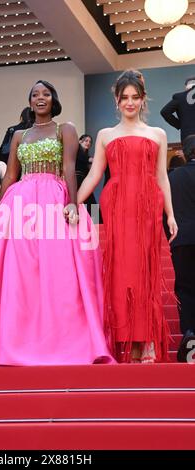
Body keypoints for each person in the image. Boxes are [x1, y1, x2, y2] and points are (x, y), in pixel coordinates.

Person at [0, 80, 115, 368]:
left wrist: (72, 202)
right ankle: (17, 338)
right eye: (35, 94)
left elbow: (71, 168)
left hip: (54, 201)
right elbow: (9, 175)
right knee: (20, 272)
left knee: (59, 271)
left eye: (46, 94)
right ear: (30, 102)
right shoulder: (20, 135)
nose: (40, 98)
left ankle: (61, 339)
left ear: (53, 99)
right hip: (20, 204)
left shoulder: (65, 129)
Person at [77, 70, 178, 363]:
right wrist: (73, 202)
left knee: (145, 273)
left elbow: (162, 177)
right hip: (117, 205)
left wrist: (169, 214)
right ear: (117, 100)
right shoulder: (106, 135)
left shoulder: (157, 134)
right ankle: (127, 341)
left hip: (148, 206)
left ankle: (145, 341)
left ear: (143, 100)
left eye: (135, 97)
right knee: (122, 273)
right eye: (124, 98)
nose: (130, 103)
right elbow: (95, 175)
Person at [168, 135, 195, 362]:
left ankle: (189, 334)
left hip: (183, 241)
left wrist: (171, 237)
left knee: (185, 290)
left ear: (185, 154)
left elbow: (165, 213)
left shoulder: (173, 178)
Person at [160, 77, 195, 144]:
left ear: (186, 86)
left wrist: (179, 125)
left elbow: (165, 112)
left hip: (189, 137)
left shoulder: (180, 97)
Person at [76, 134, 96, 216]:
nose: (88, 143)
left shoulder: (85, 155)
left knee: (91, 202)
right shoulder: (77, 151)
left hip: (83, 180)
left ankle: (96, 222)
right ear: (80, 141)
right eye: (86, 141)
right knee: (89, 202)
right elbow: (87, 159)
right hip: (77, 180)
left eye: (90, 142)